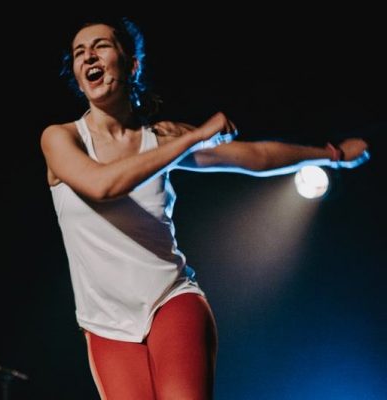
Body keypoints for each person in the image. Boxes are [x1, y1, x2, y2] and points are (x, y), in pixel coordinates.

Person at [39, 17, 370, 400]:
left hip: (170, 298)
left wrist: (333, 155)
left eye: (101, 46)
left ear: (132, 65)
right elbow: (103, 185)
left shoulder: (161, 138)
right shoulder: (61, 138)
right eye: (80, 53)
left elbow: (254, 155)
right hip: (106, 324)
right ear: (78, 77)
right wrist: (195, 136)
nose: (89, 56)